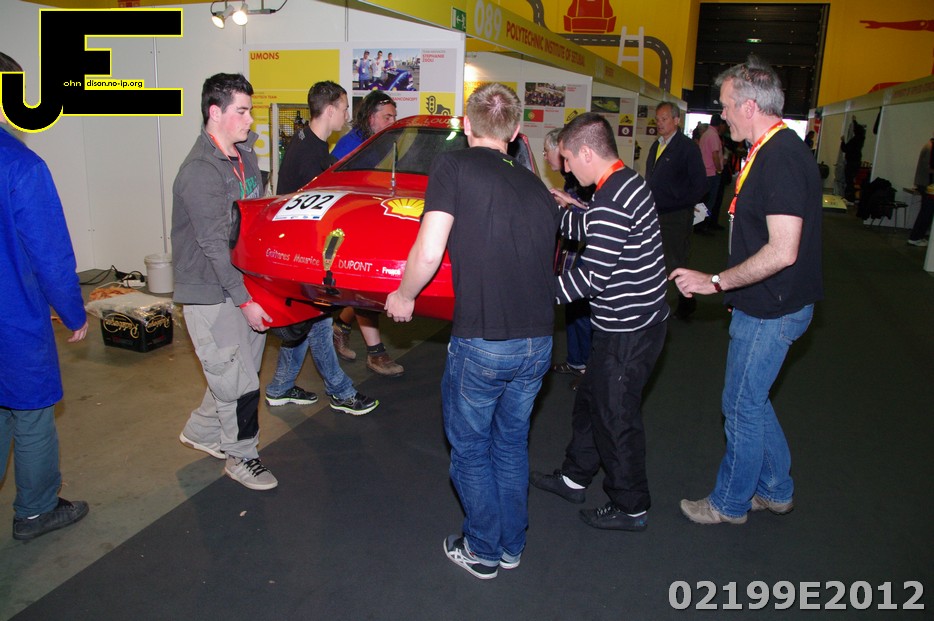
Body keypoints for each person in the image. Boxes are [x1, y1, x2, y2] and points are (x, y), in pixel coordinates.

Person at [384, 83, 558, 579]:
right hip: (539, 342)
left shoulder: (453, 166)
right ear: (516, 131)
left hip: (484, 340)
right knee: (511, 444)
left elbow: (429, 250)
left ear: (465, 125)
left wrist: (404, 295)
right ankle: (511, 545)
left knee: (471, 448)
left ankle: (482, 548)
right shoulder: (538, 188)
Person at [669, 55, 823, 525]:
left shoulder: (781, 158)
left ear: (750, 106)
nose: (723, 115)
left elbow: (783, 250)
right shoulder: (772, 152)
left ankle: (729, 503)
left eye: (727, 105)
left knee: (739, 404)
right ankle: (775, 489)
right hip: (769, 302)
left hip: (773, 308)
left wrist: (716, 282)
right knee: (751, 401)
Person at [530, 113, 669, 533]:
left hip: (629, 330)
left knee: (615, 416)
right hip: (629, 324)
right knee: (592, 402)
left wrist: (534, 295)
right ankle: (575, 477)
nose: (567, 168)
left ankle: (631, 505)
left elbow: (590, 278)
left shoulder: (611, 199)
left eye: (569, 159)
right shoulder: (624, 183)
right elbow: (591, 224)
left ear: (587, 153)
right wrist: (557, 213)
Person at [173, 73, 278, 491]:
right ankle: (241, 457)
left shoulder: (243, 156)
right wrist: (244, 299)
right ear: (215, 112)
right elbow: (215, 244)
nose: (250, 120)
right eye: (242, 111)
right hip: (211, 293)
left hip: (242, 283)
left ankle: (202, 431)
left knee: (238, 372)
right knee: (239, 382)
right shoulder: (199, 172)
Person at [0, 51, 90, 540]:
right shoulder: (21, 165)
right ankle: (36, 511)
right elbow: (50, 253)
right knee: (31, 412)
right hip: (11, 319)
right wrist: (73, 311)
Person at [267, 81, 378, 415]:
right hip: (302, 255)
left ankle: (280, 387)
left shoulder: (308, 141)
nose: (347, 114)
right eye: (344, 108)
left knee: (305, 323)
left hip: (301, 253)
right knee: (316, 323)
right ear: (330, 110)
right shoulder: (310, 155)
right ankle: (340, 391)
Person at [330, 91, 405, 377]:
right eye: (387, 117)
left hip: (373, 223)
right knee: (367, 289)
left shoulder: (385, 142)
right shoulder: (350, 145)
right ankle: (375, 353)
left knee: (371, 289)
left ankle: (341, 326)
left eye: (394, 116)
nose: (392, 122)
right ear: (371, 117)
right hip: (350, 226)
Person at [644, 102, 707, 320]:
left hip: (676, 216)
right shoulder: (656, 145)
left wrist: (680, 203)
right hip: (655, 213)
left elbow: (700, 185)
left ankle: (686, 302)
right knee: (653, 259)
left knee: (675, 260)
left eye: (664, 119)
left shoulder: (687, 148)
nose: (659, 123)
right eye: (657, 119)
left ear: (676, 120)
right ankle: (655, 301)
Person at [543, 127, 594, 390]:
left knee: (584, 311)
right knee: (574, 310)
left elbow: (593, 218)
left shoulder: (584, 178)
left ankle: (589, 368)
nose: (544, 156)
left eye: (547, 151)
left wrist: (570, 206)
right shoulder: (570, 178)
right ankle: (576, 361)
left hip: (589, 254)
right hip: (574, 251)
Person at [699, 114, 727, 231]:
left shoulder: (706, 134)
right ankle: (704, 225)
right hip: (711, 173)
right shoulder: (714, 136)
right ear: (720, 124)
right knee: (710, 201)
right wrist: (719, 169)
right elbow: (715, 155)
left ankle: (700, 224)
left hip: (704, 172)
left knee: (703, 200)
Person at [907, 136, 933, 247]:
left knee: (926, 212)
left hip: (924, 184)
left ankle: (917, 236)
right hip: (927, 185)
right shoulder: (931, 147)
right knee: (926, 213)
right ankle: (915, 237)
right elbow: (929, 167)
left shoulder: (928, 146)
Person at [840, 119, 865, 202]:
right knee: (852, 180)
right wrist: (854, 121)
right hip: (857, 162)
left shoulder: (854, 140)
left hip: (851, 162)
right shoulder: (861, 139)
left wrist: (843, 141)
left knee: (849, 181)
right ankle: (851, 197)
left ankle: (849, 197)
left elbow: (845, 149)